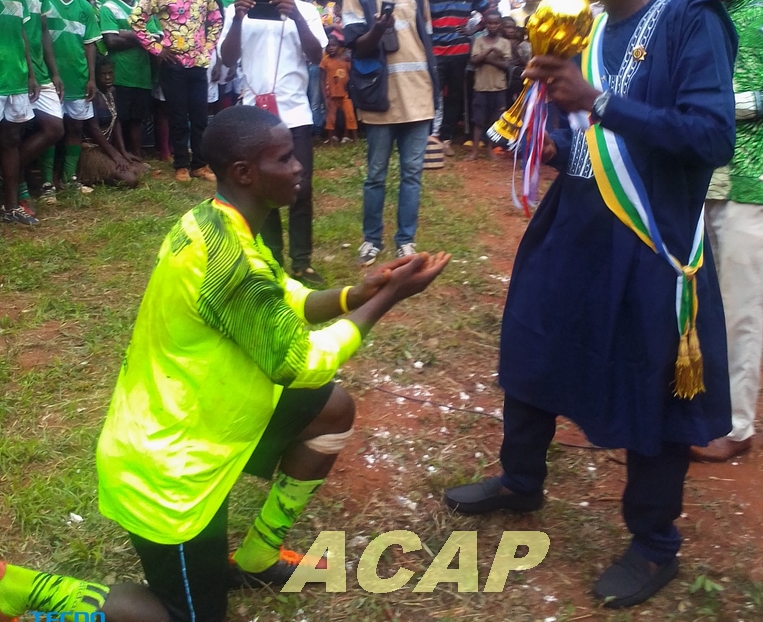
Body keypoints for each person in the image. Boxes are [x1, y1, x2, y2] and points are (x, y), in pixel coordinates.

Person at [0, 105, 450, 622]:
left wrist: (356, 292)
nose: (299, 164)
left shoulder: (217, 222)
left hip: (200, 422)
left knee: (331, 409)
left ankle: (258, 555)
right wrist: (388, 300)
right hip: (167, 473)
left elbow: (288, 297)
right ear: (245, 173)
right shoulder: (228, 262)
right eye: (285, 157)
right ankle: (25, 590)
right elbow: (302, 363)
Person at [444, 0, 737, 609]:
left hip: (648, 236)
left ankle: (654, 542)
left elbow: (712, 136)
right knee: (532, 344)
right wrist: (546, 117)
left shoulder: (689, 21)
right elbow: (570, 130)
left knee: (650, 383)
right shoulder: (585, 23)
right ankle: (521, 480)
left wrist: (600, 100)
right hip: (573, 218)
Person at [685, 0, 763, 462]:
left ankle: (736, 426)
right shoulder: (699, 14)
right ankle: (695, 410)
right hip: (698, 176)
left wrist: (738, 105)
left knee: (738, 306)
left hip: (758, 176)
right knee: (695, 301)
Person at [219, 0, 328, 287]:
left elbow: (316, 57)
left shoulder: (306, 10)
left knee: (301, 187)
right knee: (260, 188)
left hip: (295, 113)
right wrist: (237, 19)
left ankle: (302, 262)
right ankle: (271, 261)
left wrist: (295, 15)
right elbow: (227, 58)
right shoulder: (238, 8)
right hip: (254, 116)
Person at [342, 0, 437, 265]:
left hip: (419, 99)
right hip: (380, 100)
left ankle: (405, 241)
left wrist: (435, 92)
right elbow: (356, 46)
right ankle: (371, 240)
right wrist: (379, 28)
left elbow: (427, 45)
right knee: (376, 175)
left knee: (412, 175)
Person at [130, 0, 222, 183]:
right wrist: (157, 49)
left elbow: (215, 20)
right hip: (173, 65)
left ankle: (200, 165)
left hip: (199, 63)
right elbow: (136, 20)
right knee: (178, 117)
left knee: (200, 117)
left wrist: (209, 48)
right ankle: (181, 164)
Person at [7, 0, 65, 212]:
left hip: (38, 71)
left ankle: (9, 176)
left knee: (54, 128)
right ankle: (18, 192)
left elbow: (44, 30)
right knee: (11, 137)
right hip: (11, 70)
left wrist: (54, 73)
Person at [46, 0, 102, 192]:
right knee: (50, 130)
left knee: (76, 128)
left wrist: (91, 77)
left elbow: (90, 43)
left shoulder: (84, 7)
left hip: (78, 78)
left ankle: (69, 179)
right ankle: (48, 181)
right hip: (50, 78)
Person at [427, 0, 487, 155]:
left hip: (459, 52)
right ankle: (431, 135)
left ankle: (446, 138)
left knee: (453, 96)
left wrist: (474, 29)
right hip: (436, 51)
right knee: (434, 93)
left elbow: (488, 14)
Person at [0, 0, 39, 225]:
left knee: (12, 139)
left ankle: (10, 207)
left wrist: (31, 75)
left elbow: (24, 33)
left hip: (16, 76)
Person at [100, 0, 153, 158]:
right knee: (120, 117)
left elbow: (157, 36)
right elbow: (111, 41)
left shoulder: (144, 4)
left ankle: (137, 156)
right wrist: (141, 36)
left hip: (142, 72)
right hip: (120, 72)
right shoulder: (108, 7)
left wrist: (127, 34)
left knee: (138, 118)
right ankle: (121, 156)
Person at [77, 54, 145, 188]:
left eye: (110, 73)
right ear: (95, 75)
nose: (107, 77)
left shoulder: (112, 91)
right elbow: (94, 128)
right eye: (102, 74)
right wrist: (115, 155)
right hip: (92, 149)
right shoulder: (93, 94)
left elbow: (115, 121)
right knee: (131, 180)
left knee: (142, 169)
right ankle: (93, 174)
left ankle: (109, 169)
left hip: (108, 149)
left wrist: (123, 152)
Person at [467, 9, 510, 160]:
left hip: (498, 87)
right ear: (485, 24)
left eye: (496, 23)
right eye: (490, 23)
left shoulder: (505, 43)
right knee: (478, 121)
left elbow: (506, 65)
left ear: (501, 25)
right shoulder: (479, 41)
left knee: (494, 121)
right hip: (481, 86)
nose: (493, 26)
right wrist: (491, 50)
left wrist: (484, 57)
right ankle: (474, 151)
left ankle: (491, 150)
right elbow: (474, 60)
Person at [320, 37, 357, 143]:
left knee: (350, 115)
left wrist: (351, 89)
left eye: (334, 45)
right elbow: (322, 80)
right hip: (331, 94)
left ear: (339, 46)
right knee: (330, 118)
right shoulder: (325, 61)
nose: (331, 48)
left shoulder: (345, 59)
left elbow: (351, 75)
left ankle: (354, 139)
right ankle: (331, 140)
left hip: (345, 93)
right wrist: (324, 97)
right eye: (328, 46)